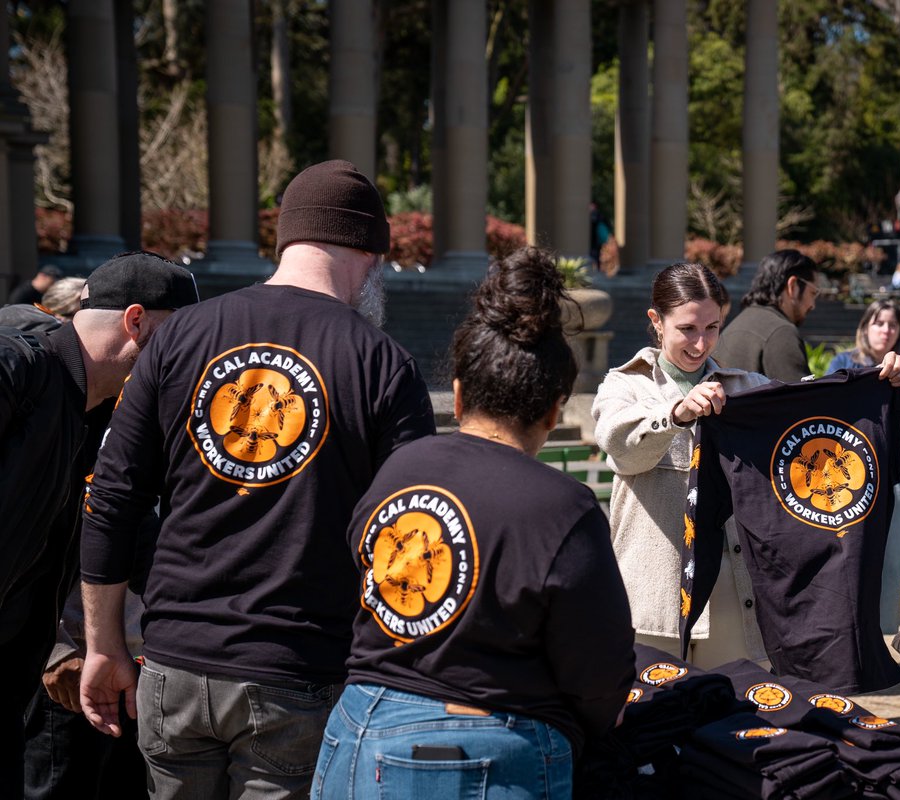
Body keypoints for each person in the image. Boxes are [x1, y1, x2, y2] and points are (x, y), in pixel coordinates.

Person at [78, 160, 436, 800]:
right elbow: (409, 539)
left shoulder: (179, 335)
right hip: (297, 673)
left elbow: (112, 498)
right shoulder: (383, 361)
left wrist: (103, 644)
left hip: (174, 666)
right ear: (368, 252)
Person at [313, 247, 634, 798]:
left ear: (459, 393)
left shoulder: (398, 470)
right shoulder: (564, 507)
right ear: (555, 411)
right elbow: (598, 673)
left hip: (355, 729)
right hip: (483, 745)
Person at [593, 262, 900, 668]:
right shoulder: (623, 385)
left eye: (713, 327)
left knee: (734, 721)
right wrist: (675, 413)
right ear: (656, 321)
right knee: (647, 722)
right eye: (687, 329)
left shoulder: (747, 388)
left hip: (732, 598)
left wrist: (876, 382)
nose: (701, 343)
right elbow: (620, 445)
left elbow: (811, 408)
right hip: (650, 596)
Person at [0, 251, 198, 797]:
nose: (188, 363)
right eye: (179, 342)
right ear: (136, 323)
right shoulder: (20, 361)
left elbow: (128, 539)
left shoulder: (97, 413)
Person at [711, 249, 821, 382]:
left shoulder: (739, 322)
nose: (813, 305)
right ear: (793, 286)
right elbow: (802, 399)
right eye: (813, 293)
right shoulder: (782, 332)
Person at [826, 299, 900, 399]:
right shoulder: (842, 362)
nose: (886, 330)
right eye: (879, 323)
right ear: (865, 328)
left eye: (892, 325)